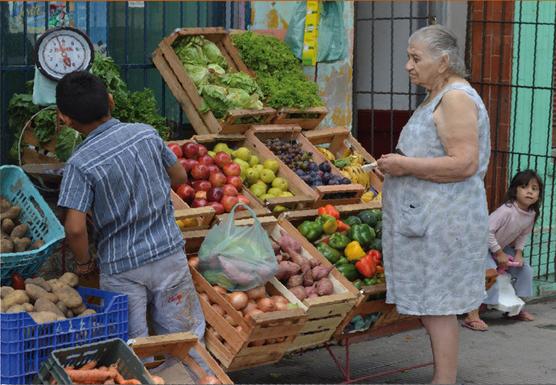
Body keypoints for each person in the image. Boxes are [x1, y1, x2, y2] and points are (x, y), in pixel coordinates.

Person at [56, 71, 206, 350]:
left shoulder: (80, 163)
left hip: (121, 268)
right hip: (168, 255)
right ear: (111, 101)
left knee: (133, 347)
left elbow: (75, 228)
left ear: (64, 119)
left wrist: (85, 263)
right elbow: (180, 177)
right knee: (185, 340)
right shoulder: (146, 134)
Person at [377, 24, 491, 384]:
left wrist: (403, 165)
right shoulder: (437, 96)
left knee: (439, 307)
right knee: (433, 305)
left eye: (416, 58)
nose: (408, 66)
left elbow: (464, 163)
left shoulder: (455, 98)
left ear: (443, 62)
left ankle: (444, 380)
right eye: (408, 57)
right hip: (429, 220)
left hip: (444, 223)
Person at [463, 170, 543, 331]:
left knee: (525, 270)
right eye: (524, 187)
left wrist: (519, 253)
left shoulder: (531, 214)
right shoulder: (506, 210)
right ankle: (472, 315)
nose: (530, 191)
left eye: (534, 189)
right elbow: (486, 231)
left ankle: (515, 308)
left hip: (500, 245)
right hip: (481, 245)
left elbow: (523, 235)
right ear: (514, 191)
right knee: (489, 273)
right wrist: (498, 253)